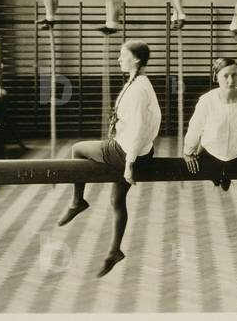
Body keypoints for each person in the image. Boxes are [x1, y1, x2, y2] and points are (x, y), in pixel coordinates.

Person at [56, 40, 161, 278]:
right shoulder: (139, 83)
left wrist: (129, 164)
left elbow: (140, 127)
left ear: (135, 59)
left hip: (126, 152)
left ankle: (77, 202)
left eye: (122, 55)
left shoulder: (138, 89)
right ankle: (114, 251)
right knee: (117, 201)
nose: (118, 59)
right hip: (137, 149)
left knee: (77, 149)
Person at [183, 58, 237, 191]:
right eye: (225, 76)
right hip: (211, 150)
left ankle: (226, 176)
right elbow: (195, 128)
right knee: (210, 163)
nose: (230, 80)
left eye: (234, 75)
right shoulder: (206, 101)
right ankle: (218, 177)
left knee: (228, 169)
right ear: (216, 77)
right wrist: (188, 151)